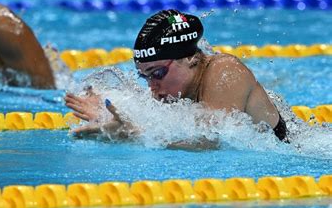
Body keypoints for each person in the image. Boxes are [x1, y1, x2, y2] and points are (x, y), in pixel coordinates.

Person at [65, 9, 289, 150]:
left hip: (294, 149)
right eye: (145, 78)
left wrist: (134, 135)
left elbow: (210, 141)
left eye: (158, 74)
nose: (153, 88)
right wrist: (107, 115)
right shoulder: (178, 91)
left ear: (190, 58)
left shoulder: (225, 70)